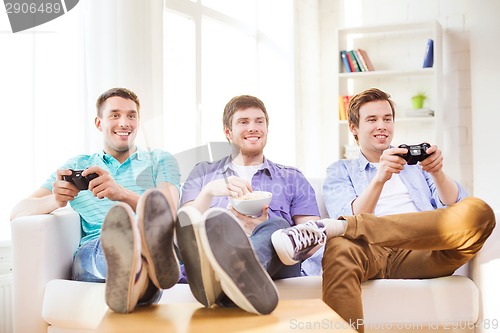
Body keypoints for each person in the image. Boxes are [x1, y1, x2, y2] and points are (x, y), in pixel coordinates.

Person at [271, 88, 495, 332]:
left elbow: (454, 207)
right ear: (354, 128)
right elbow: (351, 211)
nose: (382, 126)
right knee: (339, 246)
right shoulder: (340, 170)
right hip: (371, 252)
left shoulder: (417, 167)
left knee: (479, 212)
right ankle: (344, 228)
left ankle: (338, 227)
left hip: (425, 249)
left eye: (387, 119)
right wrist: (380, 177)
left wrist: (437, 172)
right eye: (372, 119)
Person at [10, 87, 181, 314]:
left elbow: (168, 210)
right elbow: (18, 211)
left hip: (148, 239)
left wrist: (121, 194)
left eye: (131, 116)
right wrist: (55, 200)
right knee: (112, 242)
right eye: (114, 115)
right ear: (99, 123)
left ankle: (138, 268)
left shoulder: (160, 160)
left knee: (141, 236)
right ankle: (142, 273)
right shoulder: (80, 164)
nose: (124, 123)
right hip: (96, 249)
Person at [176, 94, 329, 315]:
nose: (253, 127)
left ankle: (227, 274)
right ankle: (234, 278)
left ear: (267, 128)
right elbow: (184, 226)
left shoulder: (292, 178)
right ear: (228, 132)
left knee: (276, 225)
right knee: (217, 226)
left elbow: (314, 237)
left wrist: (264, 229)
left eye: (259, 121)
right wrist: (209, 192)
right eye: (243, 122)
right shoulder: (203, 173)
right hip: (215, 251)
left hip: (278, 263)